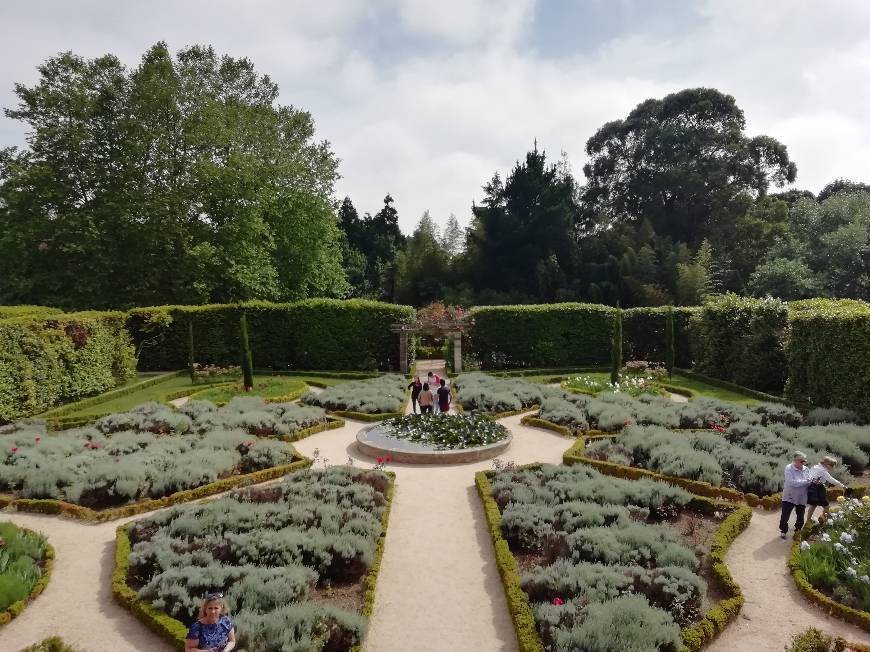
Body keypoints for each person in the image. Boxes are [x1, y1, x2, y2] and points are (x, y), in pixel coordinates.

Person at [780, 451, 811, 539]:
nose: (804, 463)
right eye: (802, 461)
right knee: (785, 515)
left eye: (804, 461)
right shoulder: (789, 468)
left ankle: (798, 530)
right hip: (789, 496)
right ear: (795, 460)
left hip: (802, 496)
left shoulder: (806, 469)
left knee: (800, 515)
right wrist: (807, 481)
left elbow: (809, 482)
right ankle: (783, 531)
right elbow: (792, 483)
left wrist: (812, 482)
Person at [806, 455, 846, 522]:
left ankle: (809, 520)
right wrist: (842, 486)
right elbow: (831, 479)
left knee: (813, 505)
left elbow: (809, 476)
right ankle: (824, 519)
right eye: (831, 465)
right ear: (826, 463)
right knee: (826, 505)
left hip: (812, 487)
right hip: (818, 488)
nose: (832, 467)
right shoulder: (823, 471)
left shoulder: (815, 467)